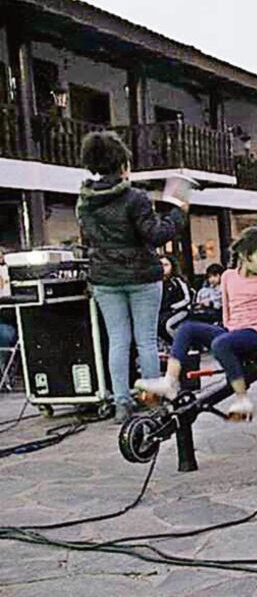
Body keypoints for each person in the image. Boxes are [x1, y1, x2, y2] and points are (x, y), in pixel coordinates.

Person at [76, 130, 186, 423]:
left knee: (118, 340)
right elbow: (155, 235)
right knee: (146, 340)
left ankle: (121, 403)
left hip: (104, 277)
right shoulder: (134, 197)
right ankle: (152, 400)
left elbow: (90, 238)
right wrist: (177, 212)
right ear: (122, 162)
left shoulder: (84, 200)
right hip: (140, 275)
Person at [135, 227, 257, 420]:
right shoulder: (227, 276)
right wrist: (227, 330)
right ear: (244, 254)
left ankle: (242, 398)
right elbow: (227, 309)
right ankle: (169, 381)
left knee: (221, 344)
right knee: (187, 328)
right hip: (232, 332)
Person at [158, 255, 192, 341]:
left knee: (169, 325)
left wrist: (173, 306)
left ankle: (183, 344)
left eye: (166, 265)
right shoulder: (157, 283)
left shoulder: (178, 281)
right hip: (163, 312)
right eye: (161, 265)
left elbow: (187, 298)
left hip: (180, 311)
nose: (163, 268)